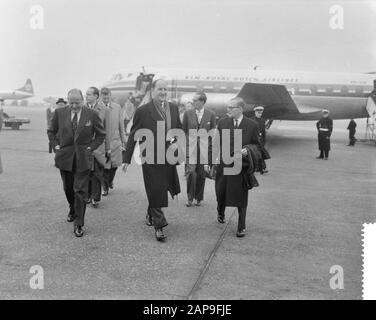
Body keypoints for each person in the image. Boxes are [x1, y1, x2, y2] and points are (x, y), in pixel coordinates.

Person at [122, 79, 181, 242]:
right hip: (150, 157)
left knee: (162, 187)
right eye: (160, 89)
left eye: (165, 89)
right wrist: (126, 159)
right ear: (152, 91)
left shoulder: (174, 108)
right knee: (155, 188)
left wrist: (176, 141)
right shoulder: (143, 111)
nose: (163, 92)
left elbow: (179, 129)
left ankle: (150, 213)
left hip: (168, 157)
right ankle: (159, 226)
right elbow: (134, 134)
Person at [47, 89, 105, 237]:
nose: (74, 106)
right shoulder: (60, 113)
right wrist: (56, 146)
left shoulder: (91, 114)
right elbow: (51, 131)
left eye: (77, 103)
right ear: (68, 101)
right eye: (71, 102)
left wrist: (90, 148)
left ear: (83, 100)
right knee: (68, 188)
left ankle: (79, 223)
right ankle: (72, 208)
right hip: (65, 158)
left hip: (83, 158)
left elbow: (100, 135)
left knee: (80, 191)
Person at [213, 97, 261, 238]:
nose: (227, 110)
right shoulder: (222, 122)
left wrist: (248, 149)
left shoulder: (252, 125)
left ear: (240, 109)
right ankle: (220, 212)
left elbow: (258, 145)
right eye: (228, 107)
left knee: (241, 197)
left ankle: (241, 226)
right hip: (224, 165)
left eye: (231, 107)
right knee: (221, 193)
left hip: (241, 167)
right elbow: (215, 143)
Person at [182, 92, 216, 207]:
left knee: (201, 174)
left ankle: (198, 197)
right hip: (191, 149)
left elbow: (212, 133)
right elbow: (184, 130)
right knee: (191, 172)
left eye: (195, 100)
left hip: (204, 150)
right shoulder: (188, 113)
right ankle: (190, 198)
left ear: (202, 102)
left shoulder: (211, 114)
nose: (192, 102)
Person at [100, 87, 127, 196]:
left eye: (107, 95)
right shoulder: (98, 108)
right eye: (103, 95)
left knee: (114, 165)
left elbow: (121, 126)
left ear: (110, 96)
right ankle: (105, 187)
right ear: (100, 96)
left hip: (115, 142)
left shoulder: (117, 107)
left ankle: (110, 180)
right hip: (102, 142)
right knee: (105, 166)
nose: (105, 97)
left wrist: (124, 141)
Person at [85, 87, 109, 207]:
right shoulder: (82, 108)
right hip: (85, 147)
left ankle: (96, 198)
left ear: (96, 96)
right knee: (87, 172)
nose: (86, 96)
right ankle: (88, 195)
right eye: (86, 94)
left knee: (97, 173)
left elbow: (107, 130)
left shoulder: (103, 109)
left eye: (89, 94)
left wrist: (108, 148)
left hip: (98, 147)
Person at [251, 105, 269, 174]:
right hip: (253, 140)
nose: (259, 114)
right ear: (255, 112)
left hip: (259, 140)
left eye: (261, 113)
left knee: (260, 155)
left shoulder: (262, 121)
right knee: (253, 155)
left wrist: (263, 141)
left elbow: (263, 132)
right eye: (258, 113)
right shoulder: (251, 120)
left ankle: (262, 169)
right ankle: (254, 169)